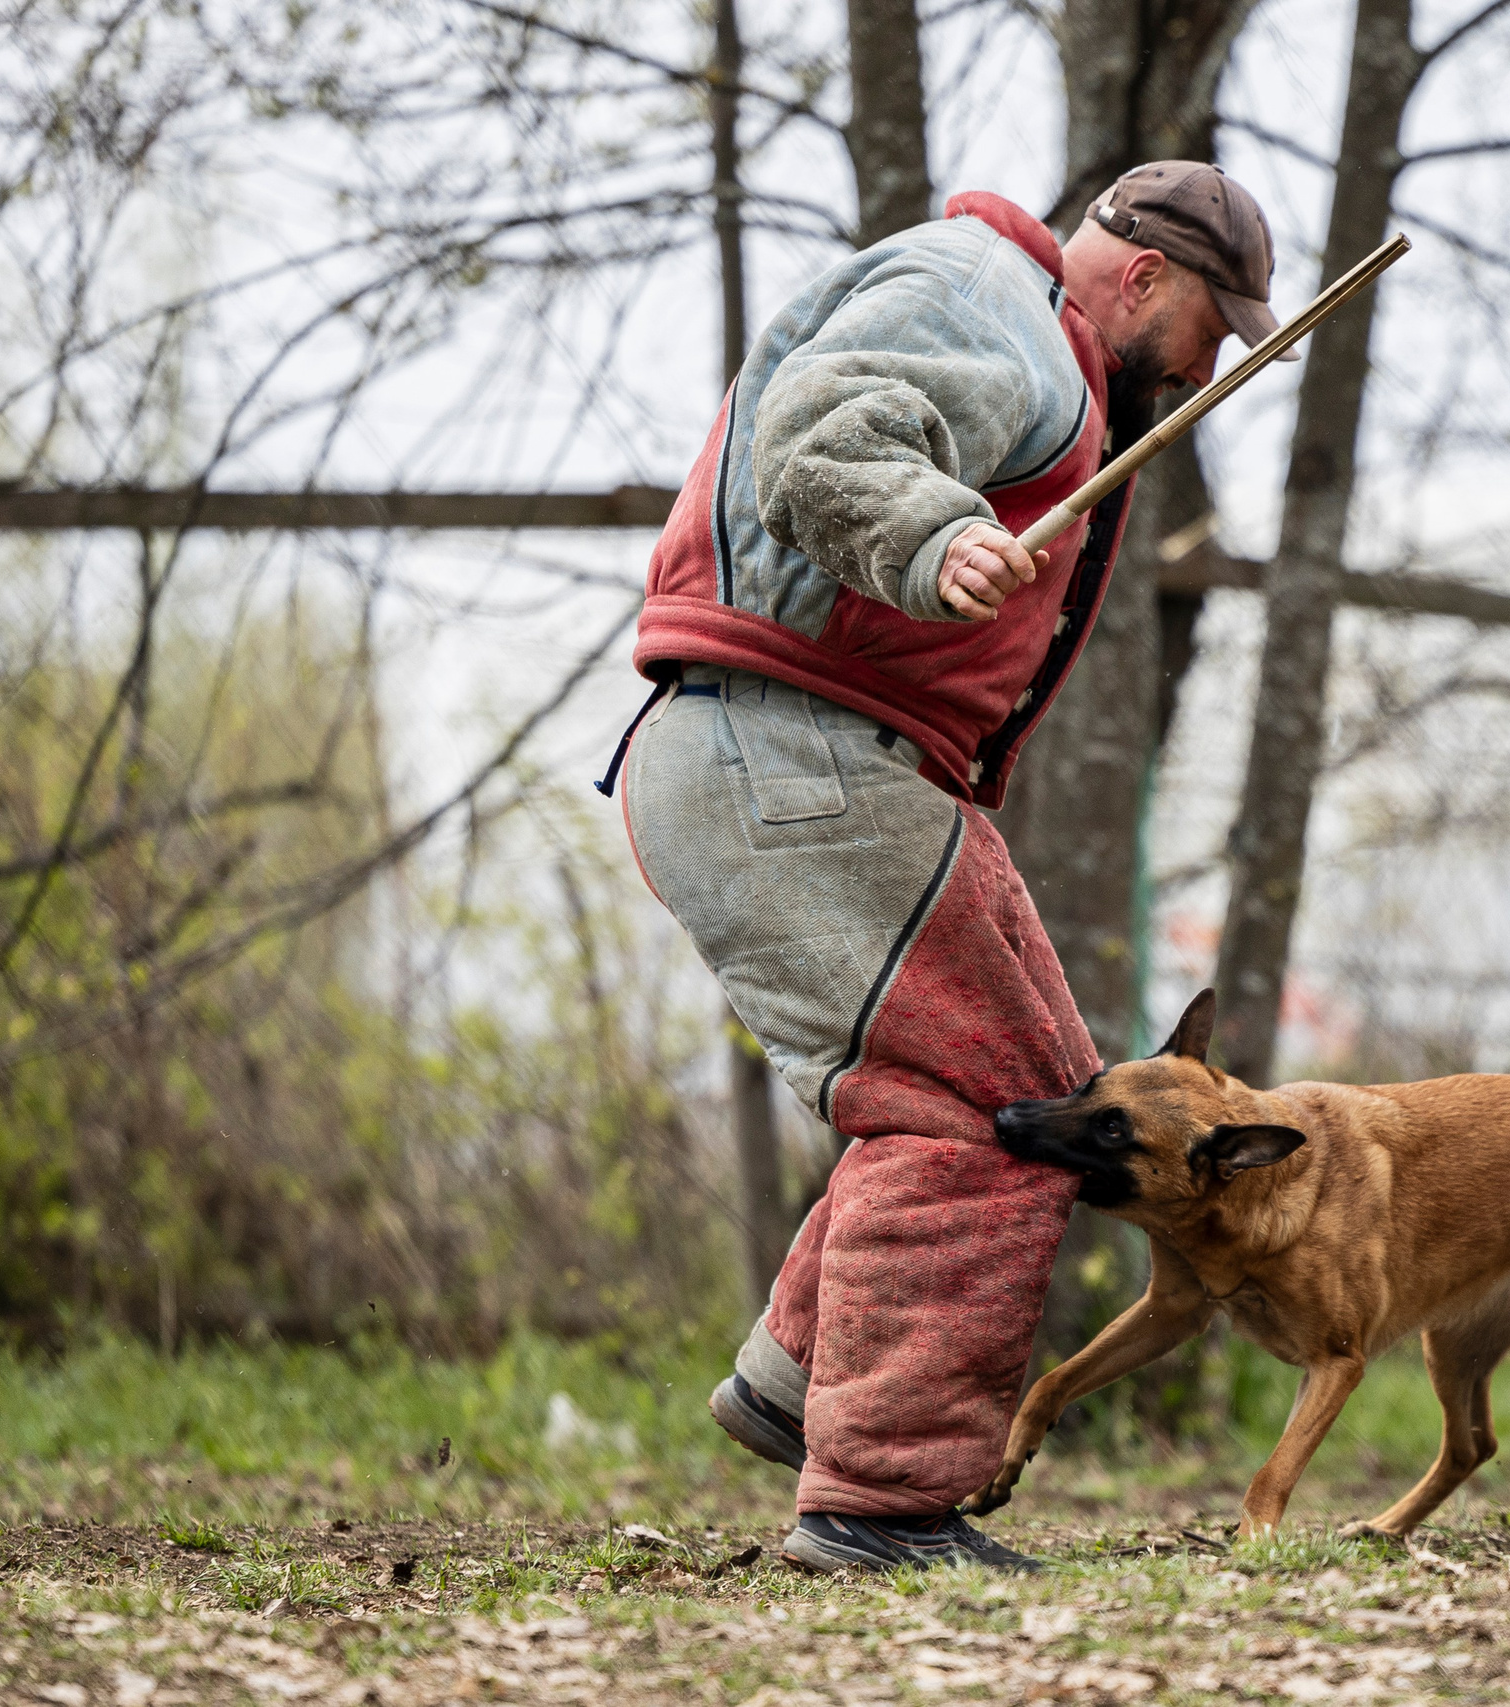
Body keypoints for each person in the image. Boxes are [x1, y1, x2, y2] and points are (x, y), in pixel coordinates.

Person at [599, 162, 1292, 1574]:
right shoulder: (997, 311)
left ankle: (815, 1388)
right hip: (792, 755)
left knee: (1034, 1089)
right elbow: (824, 432)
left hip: (815, 758)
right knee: (1004, 1112)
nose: (1211, 363)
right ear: (1147, 276)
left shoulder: (1014, 318)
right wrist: (937, 534)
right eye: (1213, 327)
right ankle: (882, 1502)